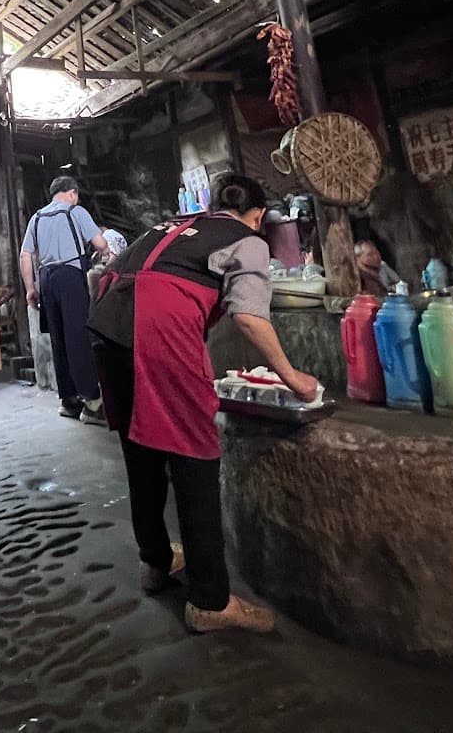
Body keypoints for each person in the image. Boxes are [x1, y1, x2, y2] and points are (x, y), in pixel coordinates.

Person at [88, 173, 320, 635]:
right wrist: (293, 378)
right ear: (257, 216)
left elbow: (108, 273)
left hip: (108, 324)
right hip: (160, 327)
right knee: (195, 450)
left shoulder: (175, 224)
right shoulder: (248, 241)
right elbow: (249, 317)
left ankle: (155, 561)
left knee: (141, 446)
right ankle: (210, 600)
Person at [20, 175, 111, 425]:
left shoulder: (37, 218)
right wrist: (105, 250)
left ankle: (69, 401)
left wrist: (30, 289)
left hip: (46, 280)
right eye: (76, 196)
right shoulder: (75, 211)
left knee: (59, 339)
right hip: (70, 277)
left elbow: (25, 255)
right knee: (78, 339)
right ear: (72, 193)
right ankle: (92, 404)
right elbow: (100, 243)